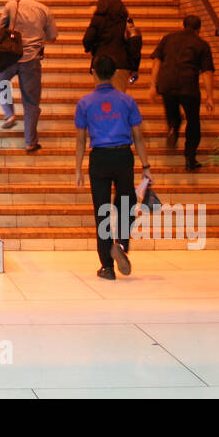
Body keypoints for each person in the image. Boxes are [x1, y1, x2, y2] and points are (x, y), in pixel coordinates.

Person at [73, 55, 153, 281]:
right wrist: (146, 166)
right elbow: (138, 136)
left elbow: (80, 140)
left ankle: (107, 267)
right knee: (127, 204)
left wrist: (78, 169)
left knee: (102, 211)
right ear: (114, 74)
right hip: (123, 156)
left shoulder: (85, 103)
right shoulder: (127, 101)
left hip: (99, 158)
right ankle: (122, 243)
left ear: (94, 73)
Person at [0, 0, 58, 154]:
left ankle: (9, 113)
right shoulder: (44, 10)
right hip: (32, 59)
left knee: (2, 81)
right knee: (31, 101)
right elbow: (53, 36)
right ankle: (30, 142)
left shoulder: (11, 5)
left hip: (10, 56)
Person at [150, 14, 216, 172]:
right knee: (193, 122)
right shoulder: (202, 45)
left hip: (166, 83)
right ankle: (190, 158)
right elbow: (207, 72)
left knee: (172, 113)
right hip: (188, 86)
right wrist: (210, 97)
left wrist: (153, 85)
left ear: (182, 25)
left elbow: (157, 60)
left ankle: (173, 127)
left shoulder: (168, 38)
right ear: (198, 30)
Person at [82, 0, 142, 92]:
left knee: (102, 96)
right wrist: (134, 67)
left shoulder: (97, 20)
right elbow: (135, 44)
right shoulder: (127, 22)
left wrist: (92, 49)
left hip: (100, 64)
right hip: (121, 65)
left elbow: (87, 40)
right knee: (118, 96)